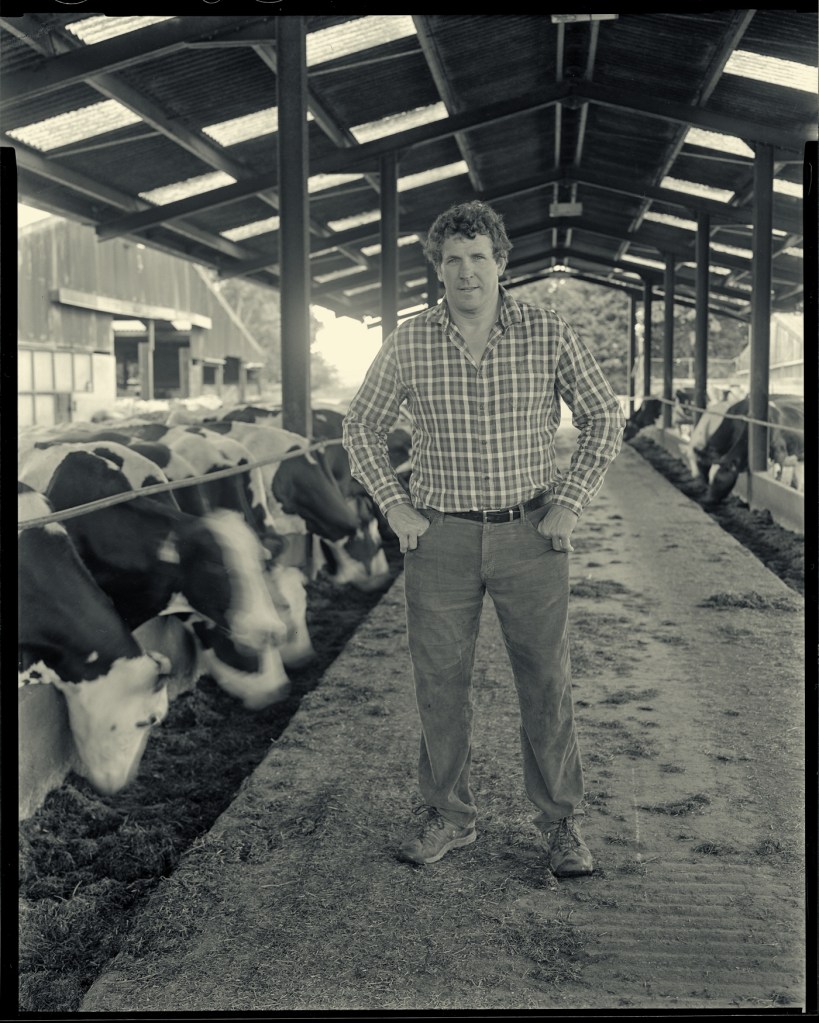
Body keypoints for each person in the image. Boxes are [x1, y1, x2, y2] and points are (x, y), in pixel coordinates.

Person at [342, 200, 625, 878]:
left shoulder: (546, 331)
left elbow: (602, 417)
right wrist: (395, 506)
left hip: (530, 532)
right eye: (451, 260)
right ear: (437, 270)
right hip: (439, 538)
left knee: (545, 679)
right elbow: (360, 426)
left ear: (501, 263)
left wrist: (568, 502)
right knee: (439, 680)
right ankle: (448, 814)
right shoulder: (410, 340)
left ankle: (561, 823)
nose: (465, 270)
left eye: (477, 257)